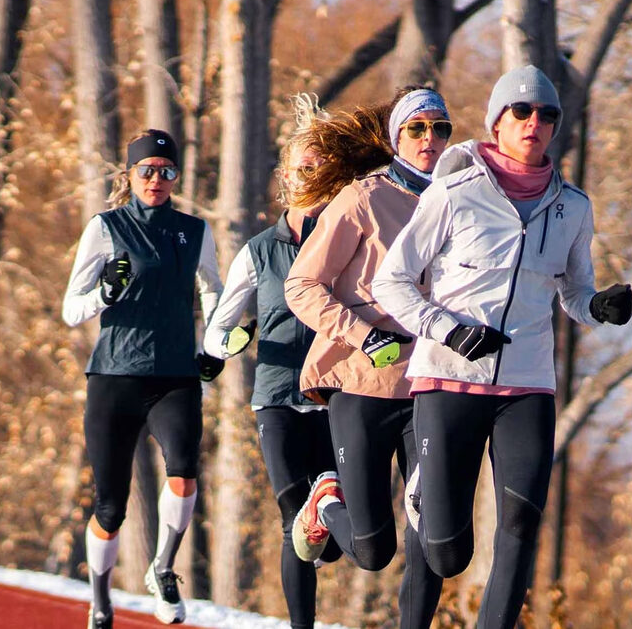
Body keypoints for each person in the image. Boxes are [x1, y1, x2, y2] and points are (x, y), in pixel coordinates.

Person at [370, 65, 632, 629]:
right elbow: (390, 281)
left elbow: (574, 289)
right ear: (496, 121)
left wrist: (597, 307)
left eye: (547, 115)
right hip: (448, 378)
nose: (534, 123)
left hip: (528, 384)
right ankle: (425, 493)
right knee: (447, 553)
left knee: (521, 520)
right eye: (522, 112)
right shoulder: (453, 192)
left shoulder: (573, 207)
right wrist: (447, 329)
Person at [285, 87, 453, 629]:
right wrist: (362, 334)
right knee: (372, 548)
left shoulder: (461, 199)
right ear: (395, 137)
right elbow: (303, 284)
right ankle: (325, 505)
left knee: (431, 526)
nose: (431, 139)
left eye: (440, 128)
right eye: (417, 128)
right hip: (362, 382)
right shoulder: (362, 199)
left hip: (431, 384)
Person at [61, 129, 222, 628]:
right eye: (147, 170)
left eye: (167, 171)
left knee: (184, 469)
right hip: (114, 377)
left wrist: (209, 347)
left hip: (174, 376)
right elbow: (71, 310)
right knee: (110, 507)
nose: (157, 179)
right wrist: (104, 297)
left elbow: (214, 289)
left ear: (177, 176)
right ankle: (100, 600)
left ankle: (163, 566)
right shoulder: (106, 227)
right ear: (129, 175)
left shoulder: (194, 231)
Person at [200, 103, 345, 629]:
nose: (311, 179)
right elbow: (219, 328)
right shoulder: (259, 253)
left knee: (325, 542)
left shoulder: (347, 244)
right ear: (286, 178)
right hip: (277, 399)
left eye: (321, 170)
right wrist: (231, 340)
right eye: (303, 170)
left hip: (334, 401)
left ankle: (328, 531)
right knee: (293, 520)